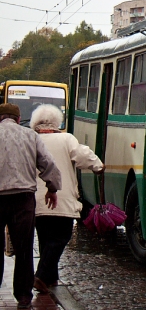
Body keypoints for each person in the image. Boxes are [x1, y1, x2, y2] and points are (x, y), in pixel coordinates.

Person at [29, 104, 104, 294]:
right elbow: (83, 156)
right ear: (57, 122)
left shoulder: (31, 139)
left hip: (35, 200)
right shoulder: (66, 139)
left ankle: (51, 278)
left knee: (45, 237)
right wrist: (98, 166)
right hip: (60, 198)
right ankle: (42, 275)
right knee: (61, 237)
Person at [0, 103, 61, 310]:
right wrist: (52, 188)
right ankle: (24, 296)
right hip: (23, 198)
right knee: (24, 248)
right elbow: (47, 163)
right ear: (18, 119)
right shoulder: (30, 136)